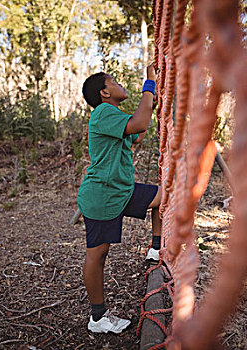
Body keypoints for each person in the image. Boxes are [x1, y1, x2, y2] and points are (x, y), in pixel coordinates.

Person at [77, 64, 162, 334]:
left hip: (120, 191)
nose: (118, 83)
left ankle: (156, 248)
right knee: (98, 255)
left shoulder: (112, 115)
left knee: (164, 196)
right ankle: (98, 318)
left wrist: (152, 105)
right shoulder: (102, 112)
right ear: (104, 92)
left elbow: (138, 134)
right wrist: (149, 84)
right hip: (102, 195)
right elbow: (139, 123)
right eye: (113, 81)